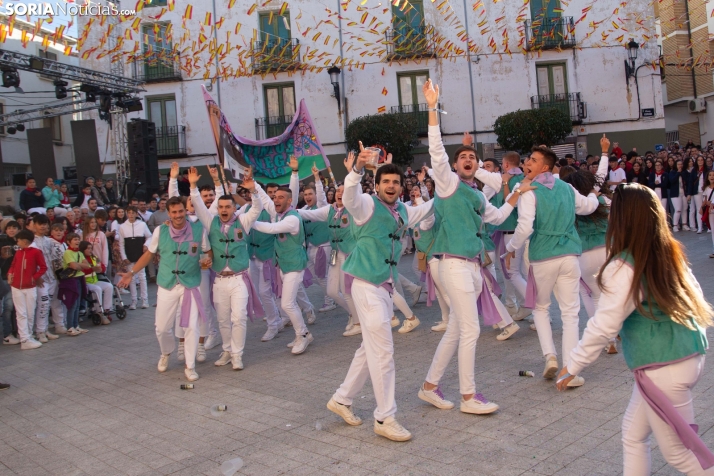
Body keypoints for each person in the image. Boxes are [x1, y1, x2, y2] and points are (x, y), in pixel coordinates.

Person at [558, 183, 714, 475]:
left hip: (663, 366)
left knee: (678, 454)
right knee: (633, 433)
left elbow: (605, 324)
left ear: (623, 219)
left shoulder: (625, 265)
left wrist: (573, 365)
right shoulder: (668, 251)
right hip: (682, 357)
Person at [416, 81, 530, 418]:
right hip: (453, 265)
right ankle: (468, 395)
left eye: (472, 158)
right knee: (471, 330)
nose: (468, 160)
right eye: (463, 157)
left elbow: (497, 215)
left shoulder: (479, 195)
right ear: (455, 165)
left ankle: (429, 386)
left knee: (456, 329)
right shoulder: (448, 184)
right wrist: (433, 108)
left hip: (473, 266)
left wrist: (515, 194)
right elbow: (436, 150)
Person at [326, 149, 434, 442]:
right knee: (383, 352)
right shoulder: (366, 207)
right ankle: (385, 417)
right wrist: (357, 170)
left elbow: (430, 208)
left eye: (395, 182)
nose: (390, 186)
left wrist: (451, 185)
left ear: (401, 185)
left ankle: (342, 398)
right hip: (365, 286)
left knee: (368, 349)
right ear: (376, 185)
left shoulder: (402, 210)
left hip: (385, 288)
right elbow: (349, 198)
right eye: (385, 181)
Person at [504, 140, 600, 386]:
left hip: (543, 256)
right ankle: (569, 368)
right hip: (569, 255)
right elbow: (588, 207)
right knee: (570, 313)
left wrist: (510, 248)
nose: (527, 163)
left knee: (541, 308)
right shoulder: (567, 189)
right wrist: (594, 195)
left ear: (544, 167)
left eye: (533, 160)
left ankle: (550, 357)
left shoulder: (530, 191)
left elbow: (525, 227)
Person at [118, 197, 212, 382]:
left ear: (185, 211)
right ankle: (166, 352)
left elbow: (207, 251)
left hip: (190, 284)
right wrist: (132, 272)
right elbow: (149, 254)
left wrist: (206, 259)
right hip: (167, 284)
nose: (178, 215)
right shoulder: (160, 231)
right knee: (161, 328)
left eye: (180, 211)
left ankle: (190, 365)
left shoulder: (198, 229)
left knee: (191, 326)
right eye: (174, 212)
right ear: (168, 214)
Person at [188, 166, 263, 370]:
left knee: (238, 317)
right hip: (219, 279)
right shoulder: (210, 222)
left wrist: (253, 190)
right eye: (220, 207)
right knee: (223, 320)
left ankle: (237, 354)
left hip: (239, 279)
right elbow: (197, 205)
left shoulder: (243, 221)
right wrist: (193, 186)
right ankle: (227, 350)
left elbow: (257, 208)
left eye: (227, 207)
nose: (223, 210)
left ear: (233, 208)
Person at [251, 187, 316, 355]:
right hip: (284, 265)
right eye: (275, 197)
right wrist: (255, 187)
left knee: (287, 303)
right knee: (289, 302)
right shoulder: (281, 214)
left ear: (289, 201)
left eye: (281, 197)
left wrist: (248, 221)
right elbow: (266, 200)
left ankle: (303, 334)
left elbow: (272, 229)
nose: (276, 200)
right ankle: (301, 332)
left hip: (294, 266)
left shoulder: (292, 218)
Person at [289, 159, 339, 315]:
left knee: (323, 275)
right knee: (317, 276)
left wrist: (317, 178)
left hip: (325, 247)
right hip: (311, 248)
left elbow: (321, 194)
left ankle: (331, 299)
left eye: (311, 194)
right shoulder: (304, 209)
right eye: (306, 194)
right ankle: (334, 295)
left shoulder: (322, 207)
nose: (308, 196)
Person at [8, 229, 47, 349]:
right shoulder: (19, 252)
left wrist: (33, 278)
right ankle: (24, 339)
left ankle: (28, 336)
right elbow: (13, 265)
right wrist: (10, 273)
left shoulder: (36, 252)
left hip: (29, 287)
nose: (17, 242)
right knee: (21, 313)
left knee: (29, 312)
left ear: (24, 241)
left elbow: (43, 267)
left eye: (18, 240)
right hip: (16, 287)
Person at [27, 215, 61, 343]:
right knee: (43, 303)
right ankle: (39, 331)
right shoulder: (31, 242)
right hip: (39, 279)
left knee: (48, 304)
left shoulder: (49, 241)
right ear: (34, 225)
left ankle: (45, 329)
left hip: (51, 277)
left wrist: (56, 276)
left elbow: (54, 260)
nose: (43, 226)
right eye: (40, 224)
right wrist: (36, 276)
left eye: (45, 224)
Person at [118, 206, 152, 310]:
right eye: (129, 213)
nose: (131, 215)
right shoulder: (122, 226)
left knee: (142, 277)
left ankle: (144, 300)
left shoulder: (142, 224)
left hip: (139, 254)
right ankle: (134, 301)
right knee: (131, 278)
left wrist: (146, 245)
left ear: (136, 214)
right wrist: (124, 257)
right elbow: (121, 243)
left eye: (133, 213)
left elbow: (150, 236)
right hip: (129, 254)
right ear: (127, 214)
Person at [79, 241, 112, 324]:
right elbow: (82, 271)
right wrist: (92, 269)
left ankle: (107, 309)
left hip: (95, 280)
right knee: (97, 289)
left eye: (91, 248)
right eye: (88, 249)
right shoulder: (81, 258)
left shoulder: (94, 257)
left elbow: (102, 266)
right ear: (83, 249)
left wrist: (102, 269)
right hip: (86, 282)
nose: (90, 250)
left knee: (109, 286)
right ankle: (98, 311)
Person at [0, 222, 20, 345]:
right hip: (5, 277)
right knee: (8, 306)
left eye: (14, 228)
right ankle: (7, 334)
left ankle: (17, 331)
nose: (11, 230)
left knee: (18, 307)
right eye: (9, 228)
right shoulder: (2, 242)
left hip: (19, 278)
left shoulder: (21, 242)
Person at [688, 155, 708, 234]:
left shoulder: (707, 170)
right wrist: (689, 193)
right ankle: (700, 227)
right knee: (700, 209)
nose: (700, 161)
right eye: (698, 160)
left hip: (706, 191)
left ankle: (709, 226)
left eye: (701, 160)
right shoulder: (694, 171)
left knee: (708, 208)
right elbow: (690, 182)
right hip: (697, 192)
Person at [669, 159, 688, 232]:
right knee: (678, 209)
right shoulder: (672, 172)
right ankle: (675, 225)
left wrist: (681, 173)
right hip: (675, 194)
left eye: (681, 164)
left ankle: (684, 224)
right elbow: (672, 180)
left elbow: (687, 180)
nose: (680, 166)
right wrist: (678, 173)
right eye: (678, 164)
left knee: (685, 208)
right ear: (675, 165)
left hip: (684, 193)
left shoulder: (684, 172)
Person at [702, 171, 714, 257]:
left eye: (713, 175)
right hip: (711, 212)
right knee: (713, 230)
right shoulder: (706, 188)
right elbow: (705, 200)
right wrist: (703, 205)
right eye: (710, 175)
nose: (711, 176)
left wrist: (711, 204)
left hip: (712, 209)